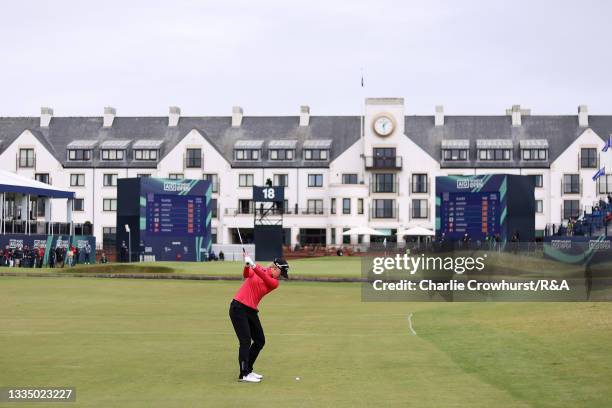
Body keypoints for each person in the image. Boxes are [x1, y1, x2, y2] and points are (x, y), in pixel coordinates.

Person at [229, 256, 289, 383]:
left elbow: (264, 277)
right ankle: (244, 374)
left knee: (260, 340)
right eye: (281, 272)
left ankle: (248, 370)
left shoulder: (274, 283)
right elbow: (247, 274)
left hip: (250, 311)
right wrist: (247, 265)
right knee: (245, 341)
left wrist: (253, 265)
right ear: (275, 267)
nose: (281, 276)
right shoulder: (259, 269)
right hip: (238, 308)